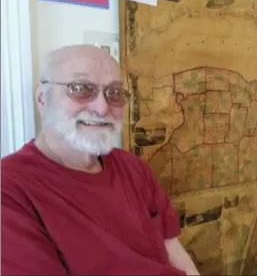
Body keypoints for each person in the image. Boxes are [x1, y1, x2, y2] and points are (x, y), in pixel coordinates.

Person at [1, 45, 200, 275]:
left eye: (114, 92)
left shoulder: (133, 167)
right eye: (81, 88)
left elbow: (175, 253)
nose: (102, 107)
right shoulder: (10, 189)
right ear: (42, 99)